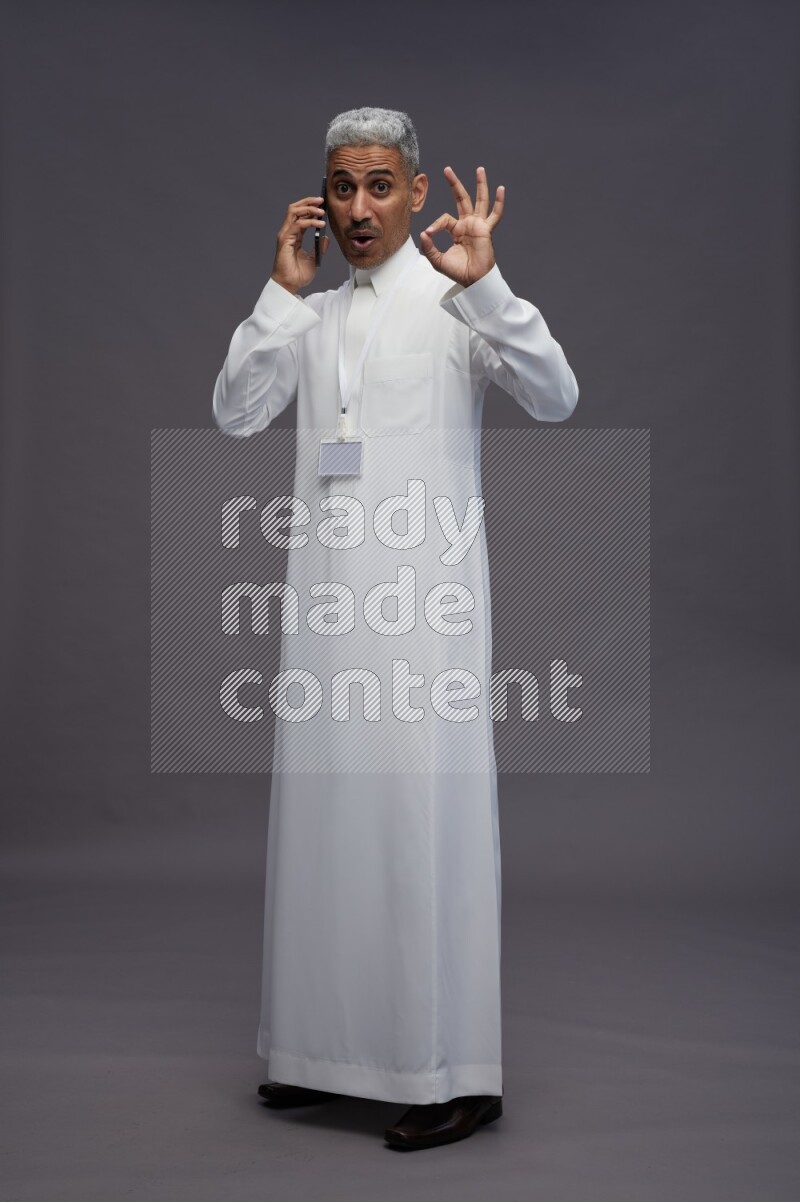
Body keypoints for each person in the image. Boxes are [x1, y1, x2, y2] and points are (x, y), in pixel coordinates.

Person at [212, 106, 578, 1150]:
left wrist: (489, 285)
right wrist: (278, 297)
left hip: (422, 616)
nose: (359, 208)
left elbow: (555, 396)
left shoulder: (461, 302)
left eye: (380, 186)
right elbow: (237, 411)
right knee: (324, 825)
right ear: (318, 201)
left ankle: (449, 1068)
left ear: (416, 192)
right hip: (326, 614)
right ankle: (313, 1053)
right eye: (341, 187)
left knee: (421, 828)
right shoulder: (315, 316)